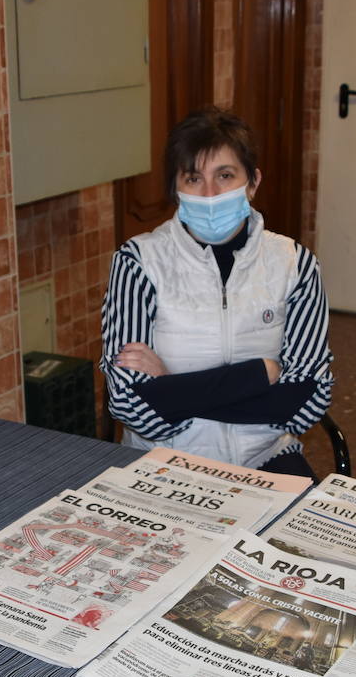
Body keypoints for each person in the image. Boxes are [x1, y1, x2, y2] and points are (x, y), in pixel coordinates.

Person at [100, 106, 333, 479]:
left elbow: (306, 401)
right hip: (165, 459)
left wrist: (169, 388)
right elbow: (130, 405)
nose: (209, 193)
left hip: (265, 455)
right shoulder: (137, 262)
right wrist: (259, 375)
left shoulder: (295, 264)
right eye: (193, 178)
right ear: (175, 189)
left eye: (225, 175)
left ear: (253, 182)